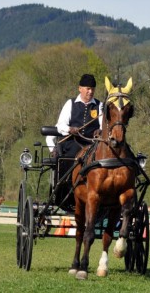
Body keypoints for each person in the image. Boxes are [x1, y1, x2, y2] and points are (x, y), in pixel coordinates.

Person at [46, 74, 103, 204]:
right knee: (71, 155)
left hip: (92, 144)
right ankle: (66, 188)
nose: (90, 91)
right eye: (88, 88)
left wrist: (100, 131)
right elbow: (60, 125)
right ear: (80, 88)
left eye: (92, 89)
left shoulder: (99, 106)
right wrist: (70, 129)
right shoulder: (70, 104)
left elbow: (103, 125)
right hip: (72, 142)